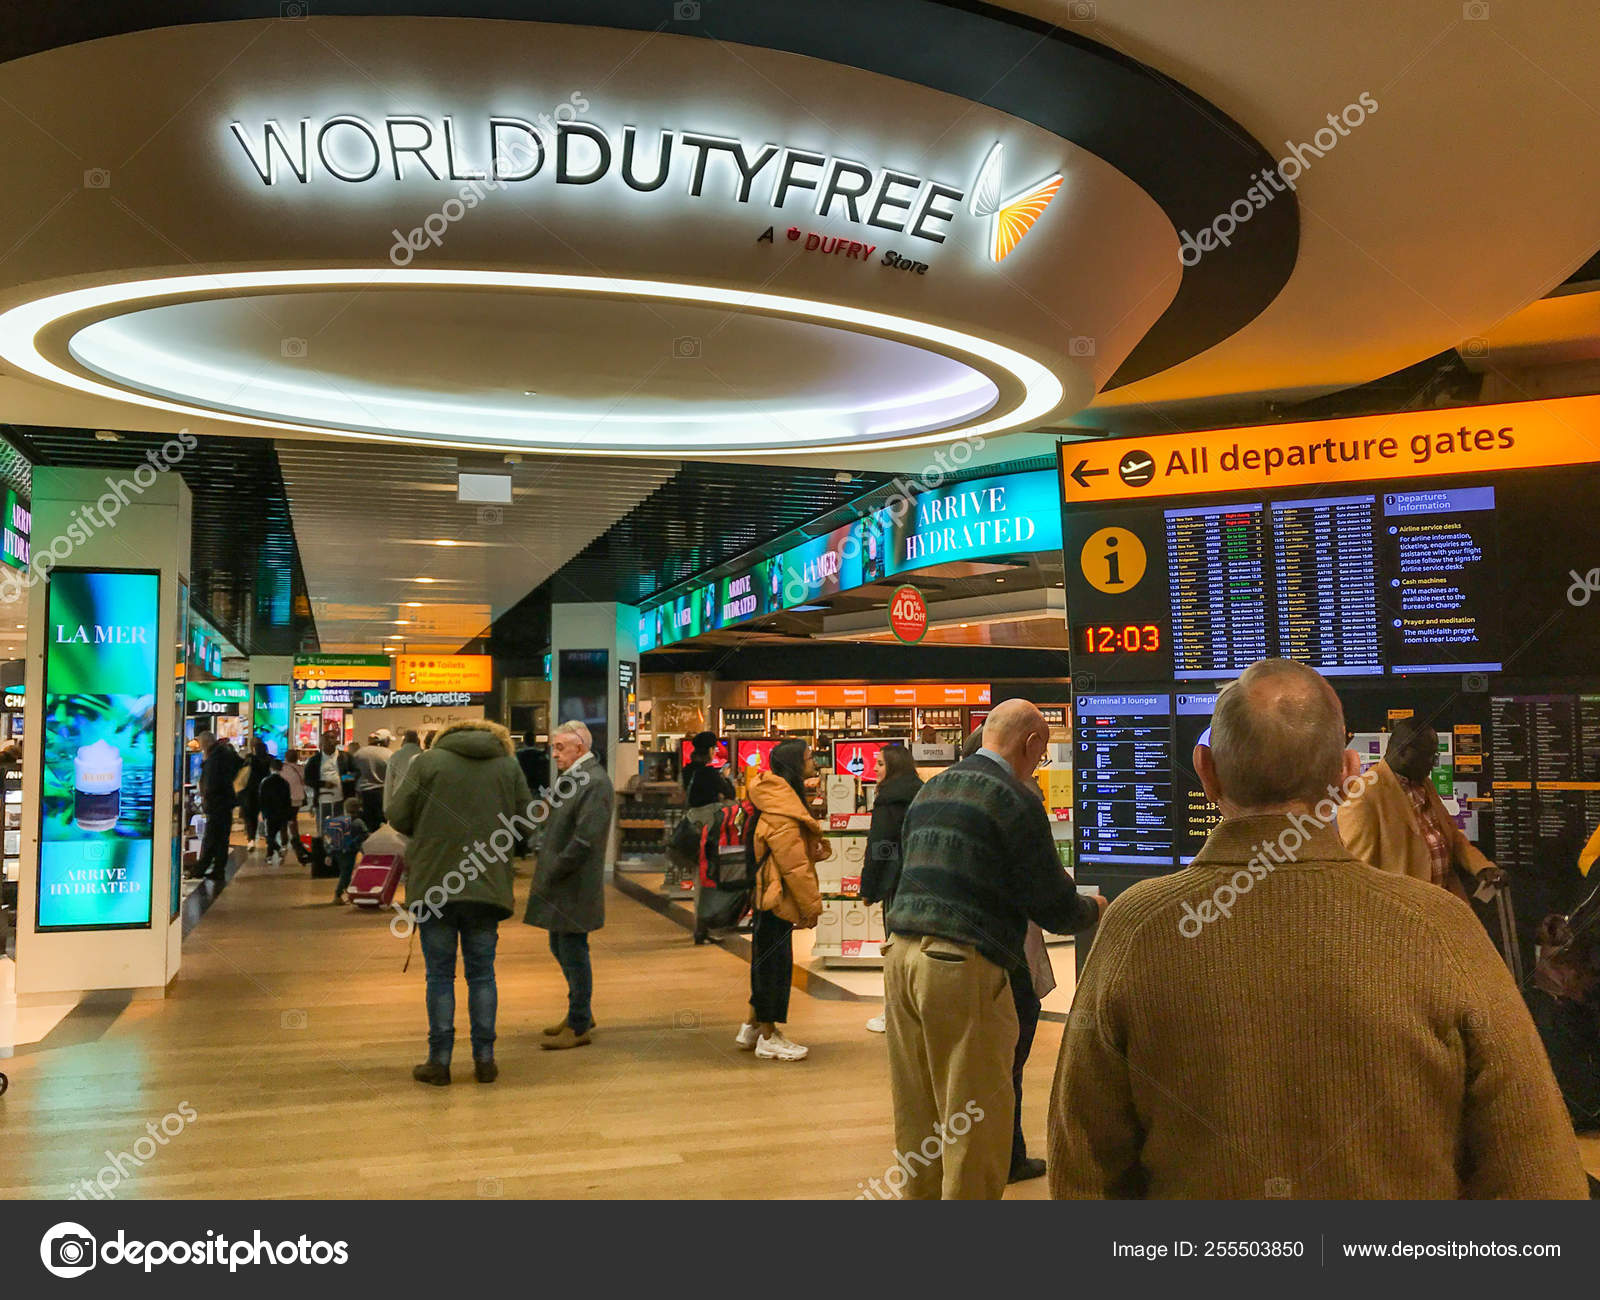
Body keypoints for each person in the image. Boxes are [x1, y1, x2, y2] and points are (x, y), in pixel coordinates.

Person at [1049, 658, 1588, 1199]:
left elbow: (1083, 1165)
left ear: (1205, 769)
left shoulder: (1137, 927)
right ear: (1348, 773)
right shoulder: (1441, 928)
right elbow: (1535, 1166)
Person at [885, 699, 1102, 1200]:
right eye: (1042, 754)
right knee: (976, 1118)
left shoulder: (932, 787)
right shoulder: (1013, 796)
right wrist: (1098, 907)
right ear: (1031, 744)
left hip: (900, 958)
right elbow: (1052, 904)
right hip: (960, 966)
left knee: (919, 1113)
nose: (1038, 765)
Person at [389, 719, 533, 1085]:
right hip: (486, 886)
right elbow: (527, 822)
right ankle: (485, 1059)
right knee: (482, 974)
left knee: (439, 975)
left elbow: (397, 814)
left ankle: (439, 1061)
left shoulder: (428, 762)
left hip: (436, 886)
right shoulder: (507, 765)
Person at [1337, 718, 1503, 901]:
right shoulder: (1364, 794)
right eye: (1428, 756)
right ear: (1402, 752)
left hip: (1444, 903)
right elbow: (1361, 873)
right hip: (1405, 914)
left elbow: (1452, 836)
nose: (1433, 763)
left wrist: (1482, 867)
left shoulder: (1423, 783)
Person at [735, 738, 829, 1062]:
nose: (813, 761)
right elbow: (794, 867)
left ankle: (752, 1026)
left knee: (766, 961)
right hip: (776, 897)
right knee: (774, 967)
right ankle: (769, 1035)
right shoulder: (783, 808)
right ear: (794, 764)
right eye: (807, 757)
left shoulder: (774, 797)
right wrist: (811, 907)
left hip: (767, 894)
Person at [524, 720, 615, 1050]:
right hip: (567, 880)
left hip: (574, 881)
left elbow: (586, 839)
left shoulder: (594, 782)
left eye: (560, 747)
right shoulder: (579, 778)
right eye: (553, 747)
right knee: (560, 946)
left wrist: (556, 867)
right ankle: (581, 1012)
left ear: (581, 748)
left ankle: (578, 1025)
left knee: (572, 950)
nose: (554, 753)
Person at [859, 743, 922, 1035]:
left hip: (896, 883)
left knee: (895, 949)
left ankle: (893, 1012)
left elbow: (879, 847)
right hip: (922, 881)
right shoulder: (922, 793)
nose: (875, 769)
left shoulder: (888, 800)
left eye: (881, 764)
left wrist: (869, 888)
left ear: (893, 767)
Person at [190, 732, 242, 883]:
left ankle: (201, 869)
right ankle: (217, 869)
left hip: (218, 803)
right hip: (224, 802)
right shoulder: (223, 754)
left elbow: (211, 783)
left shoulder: (215, 758)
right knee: (221, 837)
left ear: (205, 743)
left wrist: (207, 798)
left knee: (212, 837)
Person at [303, 731, 355, 878]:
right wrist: (323, 784)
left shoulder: (345, 758)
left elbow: (355, 773)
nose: (330, 742)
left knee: (340, 830)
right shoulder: (315, 761)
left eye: (332, 739)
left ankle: (339, 863)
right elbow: (308, 779)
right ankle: (325, 861)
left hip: (341, 799)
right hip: (322, 800)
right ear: (321, 743)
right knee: (324, 830)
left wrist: (344, 780)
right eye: (326, 740)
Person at [324, 797, 370, 903]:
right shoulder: (358, 822)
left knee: (345, 872)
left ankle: (346, 893)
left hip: (338, 852)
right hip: (349, 852)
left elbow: (332, 840)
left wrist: (329, 855)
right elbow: (365, 835)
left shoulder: (338, 822)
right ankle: (339, 894)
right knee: (346, 873)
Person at [682, 731, 735, 808]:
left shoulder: (687, 770)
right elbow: (730, 794)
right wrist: (725, 777)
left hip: (691, 816)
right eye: (714, 748)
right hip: (707, 818)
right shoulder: (709, 773)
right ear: (710, 750)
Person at [257, 757, 294, 867]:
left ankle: (273, 853)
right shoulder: (285, 783)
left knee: (270, 835)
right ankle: (271, 854)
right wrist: (290, 816)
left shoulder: (265, 782)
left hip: (270, 812)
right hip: (282, 813)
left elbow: (262, 799)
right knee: (277, 833)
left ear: (271, 768)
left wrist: (261, 812)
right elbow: (288, 799)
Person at [237, 738, 272, 852]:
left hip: (251, 792)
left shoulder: (250, 759)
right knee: (267, 815)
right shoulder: (270, 760)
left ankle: (251, 839)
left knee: (251, 816)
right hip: (266, 791)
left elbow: (242, 774)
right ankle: (266, 835)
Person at [278, 747, 311, 865]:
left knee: (282, 821)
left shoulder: (281, 768)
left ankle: (284, 842)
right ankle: (296, 839)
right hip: (297, 799)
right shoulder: (301, 769)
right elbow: (305, 781)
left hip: (283, 799)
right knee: (293, 819)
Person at [353, 731, 391, 829]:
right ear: (385, 740)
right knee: (380, 824)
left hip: (362, 793)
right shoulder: (389, 754)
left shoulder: (360, 753)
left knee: (365, 824)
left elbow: (353, 772)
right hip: (381, 793)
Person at [383, 729, 422, 816]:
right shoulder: (422, 754)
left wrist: (386, 808)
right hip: (417, 801)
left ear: (404, 740)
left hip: (398, 799)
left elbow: (389, 783)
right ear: (417, 740)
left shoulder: (396, 756)